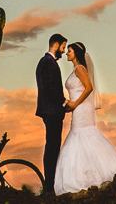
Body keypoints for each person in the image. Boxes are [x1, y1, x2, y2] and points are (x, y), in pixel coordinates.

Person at [54, 42, 116, 194]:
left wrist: (75, 104)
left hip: (82, 108)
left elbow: (89, 87)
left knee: (83, 134)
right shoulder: (76, 69)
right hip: (78, 107)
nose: (67, 53)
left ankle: (92, 176)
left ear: (76, 53)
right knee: (81, 136)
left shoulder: (80, 69)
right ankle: (86, 176)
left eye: (70, 51)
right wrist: (70, 104)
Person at [36, 33, 68, 194]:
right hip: (52, 111)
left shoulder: (44, 62)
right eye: (63, 47)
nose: (63, 51)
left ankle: (50, 184)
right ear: (55, 45)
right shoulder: (48, 63)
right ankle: (50, 186)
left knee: (52, 147)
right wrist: (63, 102)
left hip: (49, 111)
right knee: (52, 148)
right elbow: (49, 87)